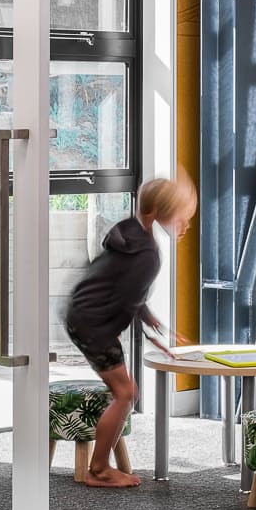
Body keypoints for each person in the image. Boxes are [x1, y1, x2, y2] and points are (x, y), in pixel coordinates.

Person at [63, 171, 197, 488]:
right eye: (181, 218)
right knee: (126, 393)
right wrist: (152, 335)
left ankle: (101, 464)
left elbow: (126, 291)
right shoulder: (148, 253)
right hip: (94, 323)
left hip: (82, 315)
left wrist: (151, 321)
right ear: (158, 214)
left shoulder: (130, 232)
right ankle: (99, 470)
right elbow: (127, 297)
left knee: (125, 391)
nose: (186, 226)